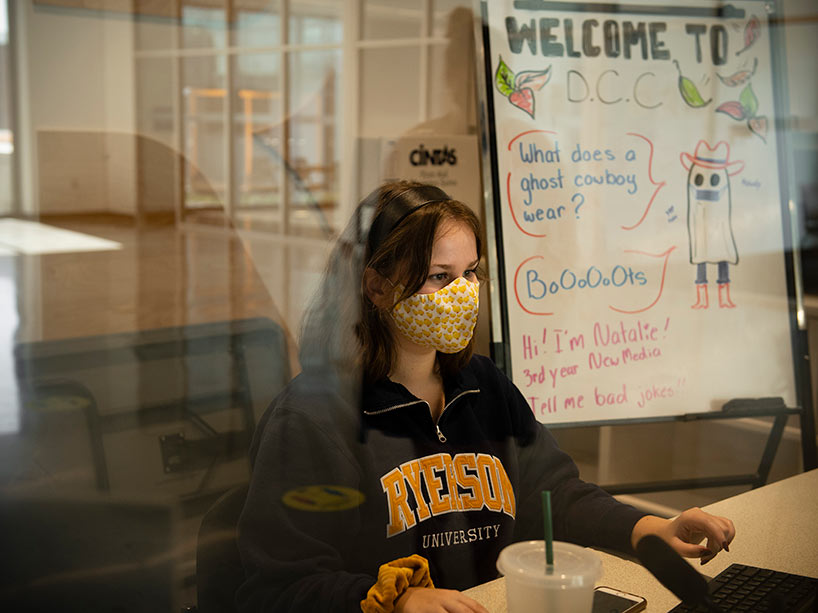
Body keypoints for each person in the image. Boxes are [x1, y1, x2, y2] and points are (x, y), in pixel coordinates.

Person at [236, 181, 736, 613]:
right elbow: (281, 585)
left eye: (470, 272)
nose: (463, 292)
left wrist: (649, 527)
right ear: (377, 287)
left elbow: (553, 494)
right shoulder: (314, 417)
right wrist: (396, 599)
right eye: (439, 276)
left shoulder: (483, 385)